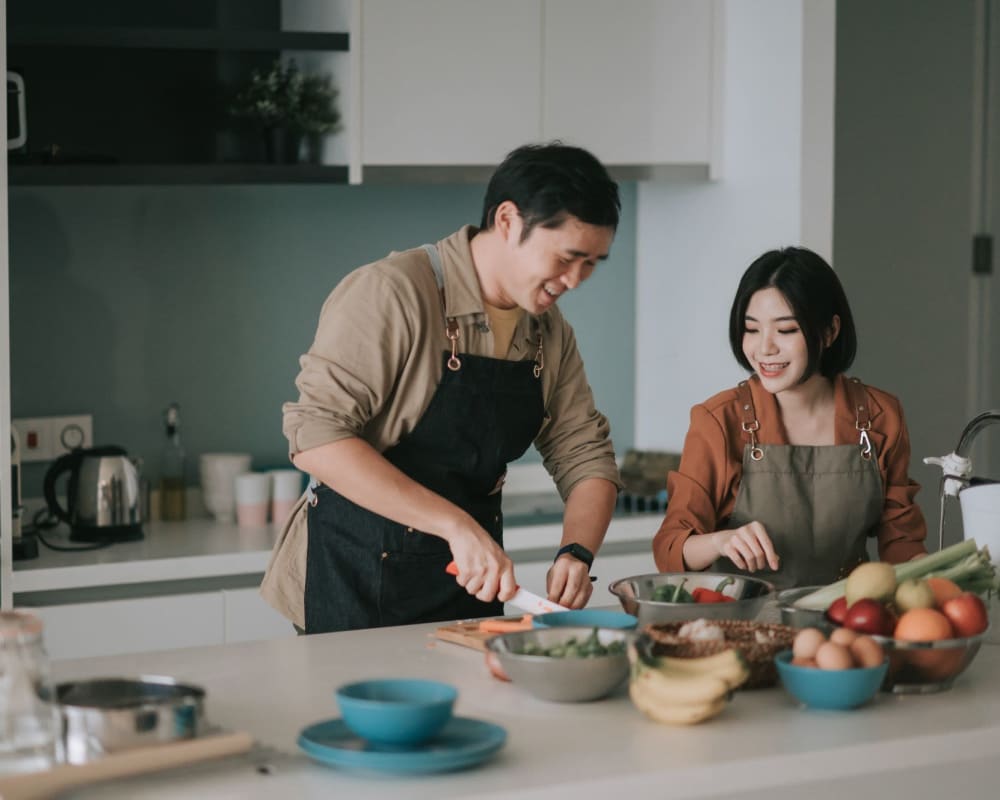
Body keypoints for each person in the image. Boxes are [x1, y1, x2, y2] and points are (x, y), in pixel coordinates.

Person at [262, 143, 623, 633]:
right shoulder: (393, 293)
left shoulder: (547, 332)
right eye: (567, 257)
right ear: (508, 221)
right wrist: (454, 525)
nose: (576, 280)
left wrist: (577, 551)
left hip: (469, 588)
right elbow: (316, 439)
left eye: (592, 264)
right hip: (357, 582)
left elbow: (585, 454)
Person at [652, 247, 927, 588]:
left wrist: (936, 573)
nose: (764, 348)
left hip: (848, 621)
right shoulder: (719, 421)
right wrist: (720, 541)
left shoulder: (879, 416)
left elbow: (900, 541)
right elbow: (670, 548)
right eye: (752, 330)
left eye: (785, 330)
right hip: (747, 627)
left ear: (829, 332)